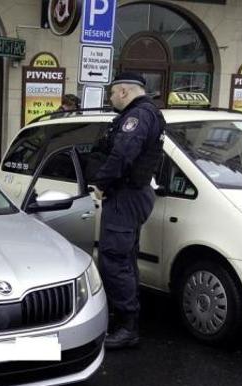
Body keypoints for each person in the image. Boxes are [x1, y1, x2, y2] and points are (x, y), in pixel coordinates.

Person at [90, 72, 166, 350]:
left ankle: (126, 327)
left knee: (114, 259)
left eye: (111, 93)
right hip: (131, 194)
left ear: (123, 91)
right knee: (125, 258)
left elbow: (123, 154)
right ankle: (126, 317)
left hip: (126, 195)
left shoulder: (138, 116)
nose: (110, 98)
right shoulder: (145, 113)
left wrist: (100, 183)